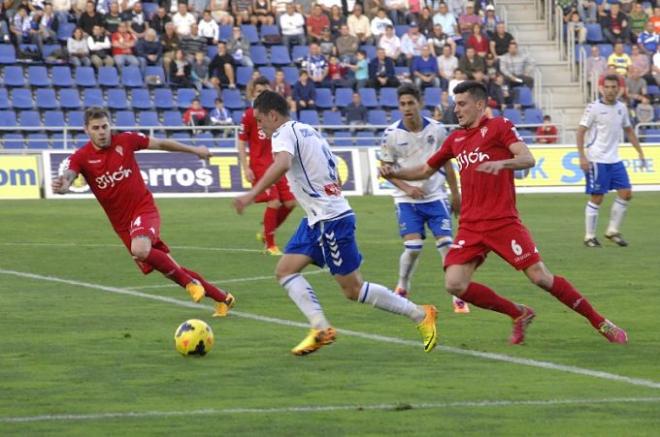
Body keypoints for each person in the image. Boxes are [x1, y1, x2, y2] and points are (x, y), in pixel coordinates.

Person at [380, 80, 629, 345]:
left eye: (462, 104)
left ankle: (600, 322)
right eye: (455, 104)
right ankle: (518, 313)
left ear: (479, 104)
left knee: (540, 277)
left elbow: (527, 159)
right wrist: (394, 172)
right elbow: (424, 170)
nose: (457, 109)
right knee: (454, 284)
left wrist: (502, 163)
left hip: (503, 222)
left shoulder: (500, 127)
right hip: (471, 225)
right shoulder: (455, 139)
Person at [232, 90, 438, 356]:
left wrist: (251, 194)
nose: (258, 126)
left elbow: (282, 164)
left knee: (352, 289)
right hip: (318, 219)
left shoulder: (283, 133)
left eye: (260, 120)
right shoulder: (308, 130)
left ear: (273, 115)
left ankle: (420, 314)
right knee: (285, 270)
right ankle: (320, 327)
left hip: (331, 220)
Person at [51, 107, 235, 317]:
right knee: (170, 267)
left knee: (140, 249)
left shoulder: (126, 140)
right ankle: (223, 297)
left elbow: (161, 144)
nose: (102, 132)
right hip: (122, 225)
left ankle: (190, 283)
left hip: (143, 209)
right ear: (86, 130)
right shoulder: (81, 157)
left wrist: (195, 150)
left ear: (110, 125)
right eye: (96, 128)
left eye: (105, 126)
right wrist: (63, 186)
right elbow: (69, 176)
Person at [380, 84, 468, 313]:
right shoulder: (391, 135)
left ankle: (457, 295)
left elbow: (447, 163)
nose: (407, 108)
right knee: (413, 248)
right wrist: (407, 188)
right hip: (406, 199)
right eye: (402, 104)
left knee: (447, 246)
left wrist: (456, 194)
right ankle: (403, 285)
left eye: (411, 103)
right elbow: (385, 170)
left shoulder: (437, 130)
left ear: (419, 103)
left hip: (435, 195)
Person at [576, 75, 646, 248]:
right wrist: (582, 156)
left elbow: (629, 130)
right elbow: (580, 132)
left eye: (614, 87)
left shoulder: (622, 107)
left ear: (619, 89)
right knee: (597, 197)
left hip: (614, 159)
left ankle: (612, 231)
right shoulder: (593, 108)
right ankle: (589, 236)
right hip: (597, 159)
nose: (610, 90)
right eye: (607, 87)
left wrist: (640, 152)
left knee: (626, 193)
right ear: (601, 88)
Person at [238, 77, 297, 256]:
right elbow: (241, 142)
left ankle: (265, 232)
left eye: (264, 91)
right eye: (258, 92)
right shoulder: (249, 115)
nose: (261, 94)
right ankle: (270, 245)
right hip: (259, 164)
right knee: (274, 201)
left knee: (290, 202)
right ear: (252, 93)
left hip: (277, 163)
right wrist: (245, 167)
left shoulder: (274, 114)